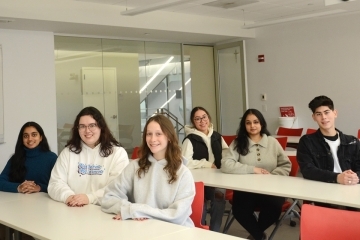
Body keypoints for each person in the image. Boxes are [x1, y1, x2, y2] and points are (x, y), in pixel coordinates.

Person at [101, 114, 195, 227]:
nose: (152, 139)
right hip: (140, 229)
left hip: (174, 231)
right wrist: (131, 209)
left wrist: (138, 210)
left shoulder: (183, 173)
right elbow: (108, 198)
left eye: (158, 134)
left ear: (169, 137)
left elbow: (177, 216)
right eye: (149, 134)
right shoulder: (134, 166)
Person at [221, 109, 291, 240]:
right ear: (244, 125)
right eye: (248, 123)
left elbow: (285, 165)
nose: (252, 126)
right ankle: (259, 236)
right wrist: (253, 169)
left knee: (274, 209)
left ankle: (256, 235)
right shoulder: (238, 143)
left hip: (272, 190)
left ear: (262, 124)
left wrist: (272, 176)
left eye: (255, 122)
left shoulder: (272, 142)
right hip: (246, 189)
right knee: (239, 210)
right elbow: (226, 164)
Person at [48, 106, 129, 206]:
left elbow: (118, 187)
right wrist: (69, 197)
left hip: (104, 212)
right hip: (73, 210)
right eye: (82, 126)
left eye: (92, 125)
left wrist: (89, 198)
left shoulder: (118, 153)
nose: (87, 131)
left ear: (101, 127)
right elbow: (55, 183)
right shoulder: (68, 153)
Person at [0, 122, 57, 240]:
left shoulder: (51, 158)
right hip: (17, 208)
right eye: (26, 136)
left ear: (41, 137)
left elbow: (58, 185)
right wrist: (18, 187)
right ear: (22, 139)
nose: (30, 139)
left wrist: (39, 187)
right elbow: (1, 180)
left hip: (43, 210)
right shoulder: (15, 158)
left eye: (34, 134)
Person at [181, 106, 228, 231]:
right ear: (193, 122)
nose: (202, 121)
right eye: (197, 119)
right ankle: (200, 229)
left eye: (204, 117)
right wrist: (206, 164)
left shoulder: (217, 136)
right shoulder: (189, 140)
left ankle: (215, 230)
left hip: (217, 177)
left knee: (219, 197)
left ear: (208, 117)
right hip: (198, 180)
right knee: (200, 202)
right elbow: (184, 162)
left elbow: (227, 154)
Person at [297, 96, 360, 186]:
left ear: (335, 113)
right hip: (323, 189)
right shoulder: (307, 141)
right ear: (314, 117)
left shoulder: (352, 141)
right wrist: (337, 177)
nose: (324, 117)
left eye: (327, 112)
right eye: (318, 114)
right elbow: (307, 170)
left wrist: (353, 177)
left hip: (351, 188)